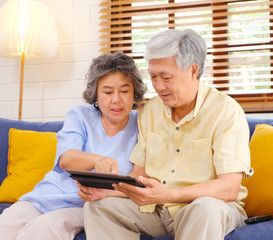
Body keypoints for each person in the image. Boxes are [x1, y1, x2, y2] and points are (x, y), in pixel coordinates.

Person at [82, 29, 253, 240]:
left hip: (207, 208)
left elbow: (229, 188)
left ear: (192, 70)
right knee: (99, 207)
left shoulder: (225, 111)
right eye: (153, 76)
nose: (159, 86)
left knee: (206, 208)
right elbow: (139, 177)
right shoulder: (150, 111)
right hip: (158, 210)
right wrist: (107, 192)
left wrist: (170, 194)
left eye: (166, 77)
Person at [0, 52, 147, 240]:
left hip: (88, 204)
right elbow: (67, 159)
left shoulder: (143, 124)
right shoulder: (80, 115)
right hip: (46, 197)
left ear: (134, 92)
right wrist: (97, 160)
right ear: (96, 94)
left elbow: (140, 179)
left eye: (124, 91)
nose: (116, 99)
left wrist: (108, 192)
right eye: (107, 92)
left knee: (41, 231)